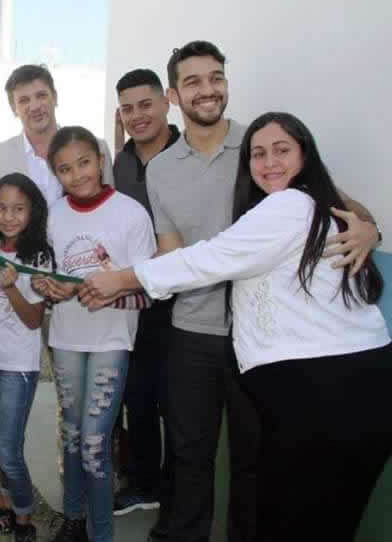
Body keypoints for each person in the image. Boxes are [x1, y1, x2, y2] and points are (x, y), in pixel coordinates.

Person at [80, 111, 392, 542]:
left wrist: (123, 278)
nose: (269, 163)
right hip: (348, 389)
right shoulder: (303, 206)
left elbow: (210, 258)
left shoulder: (290, 205)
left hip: (328, 392)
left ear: (305, 155)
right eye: (258, 154)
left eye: (281, 151)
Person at [136, 40, 379, 542]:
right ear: (174, 96)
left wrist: (370, 231)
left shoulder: (262, 146)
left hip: (262, 345)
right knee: (188, 454)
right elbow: (170, 252)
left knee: (255, 460)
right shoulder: (159, 169)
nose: (207, 89)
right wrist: (124, 278)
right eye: (193, 81)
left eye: (216, 77)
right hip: (193, 331)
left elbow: (340, 208)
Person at [0, 64, 115, 533]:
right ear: (14, 107)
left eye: (41, 94)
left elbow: (105, 216)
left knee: (71, 399)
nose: (34, 105)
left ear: (54, 96)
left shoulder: (89, 148)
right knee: (1, 400)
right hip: (13, 290)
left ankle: (73, 497)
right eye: (24, 99)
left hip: (71, 293)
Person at [33, 126, 156, 542]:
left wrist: (107, 294)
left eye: (84, 162)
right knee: (71, 436)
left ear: (101, 161)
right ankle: (74, 520)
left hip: (111, 343)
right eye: (65, 169)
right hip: (65, 340)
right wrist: (47, 288)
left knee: (94, 443)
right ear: (55, 173)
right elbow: (43, 276)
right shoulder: (53, 215)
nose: (77, 174)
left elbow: (149, 291)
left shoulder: (131, 214)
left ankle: (101, 533)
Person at [0, 173, 53, 542]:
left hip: (19, 365)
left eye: (18, 209)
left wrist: (12, 285)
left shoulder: (40, 256)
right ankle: (7, 510)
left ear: (32, 212)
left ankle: (24, 520)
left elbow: (33, 320)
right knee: (1, 443)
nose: (9, 216)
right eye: (1, 208)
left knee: (8, 448)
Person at [110, 68, 179, 520]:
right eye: (127, 109)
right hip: (134, 299)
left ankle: (177, 490)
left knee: (178, 401)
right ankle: (143, 484)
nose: (137, 115)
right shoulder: (120, 162)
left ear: (166, 103)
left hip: (186, 300)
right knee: (137, 395)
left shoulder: (188, 154)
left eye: (145, 105)